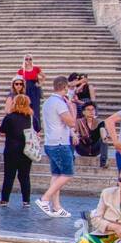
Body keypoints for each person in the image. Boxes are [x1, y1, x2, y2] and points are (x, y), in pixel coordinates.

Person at [38, 74, 78, 218]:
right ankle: (45, 199)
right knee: (67, 173)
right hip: (60, 143)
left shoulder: (48, 102)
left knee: (56, 175)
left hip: (50, 142)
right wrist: (71, 107)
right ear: (65, 87)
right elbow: (72, 122)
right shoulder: (60, 103)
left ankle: (56, 206)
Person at [0, 93, 35, 208]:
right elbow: (37, 129)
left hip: (11, 150)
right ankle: (26, 201)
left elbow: (1, 130)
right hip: (27, 150)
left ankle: (4, 200)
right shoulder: (31, 117)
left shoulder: (9, 117)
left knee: (9, 176)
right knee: (25, 176)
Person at [17, 56, 44, 120]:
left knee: (36, 109)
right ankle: (26, 124)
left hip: (35, 90)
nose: (28, 61)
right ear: (24, 60)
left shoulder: (36, 68)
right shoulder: (21, 70)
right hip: (25, 89)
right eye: (26, 59)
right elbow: (17, 80)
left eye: (30, 59)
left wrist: (40, 84)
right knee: (25, 107)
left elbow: (43, 76)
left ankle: (37, 127)